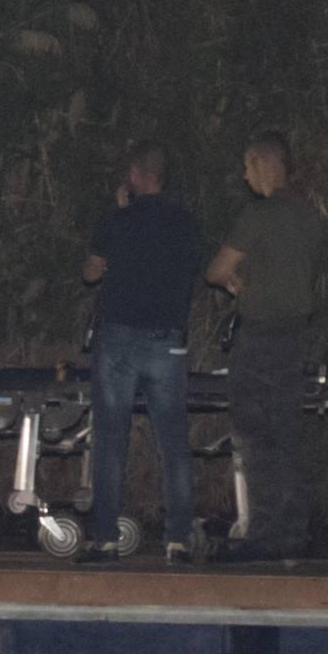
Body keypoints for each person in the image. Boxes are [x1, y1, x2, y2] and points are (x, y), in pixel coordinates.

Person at [74, 141, 203, 566]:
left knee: (111, 438)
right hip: (168, 339)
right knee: (173, 440)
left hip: (120, 337)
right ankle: (179, 539)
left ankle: (106, 538)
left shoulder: (116, 221)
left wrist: (120, 215)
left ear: (135, 174)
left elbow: (90, 272)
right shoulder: (184, 223)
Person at [206, 131, 324, 561]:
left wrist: (237, 284)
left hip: (261, 337)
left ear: (263, 163)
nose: (244, 175)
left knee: (256, 437)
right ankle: (294, 530)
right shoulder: (310, 216)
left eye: (247, 165)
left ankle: (264, 535)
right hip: (297, 336)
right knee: (288, 435)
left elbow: (217, 269)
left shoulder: (258, 215)